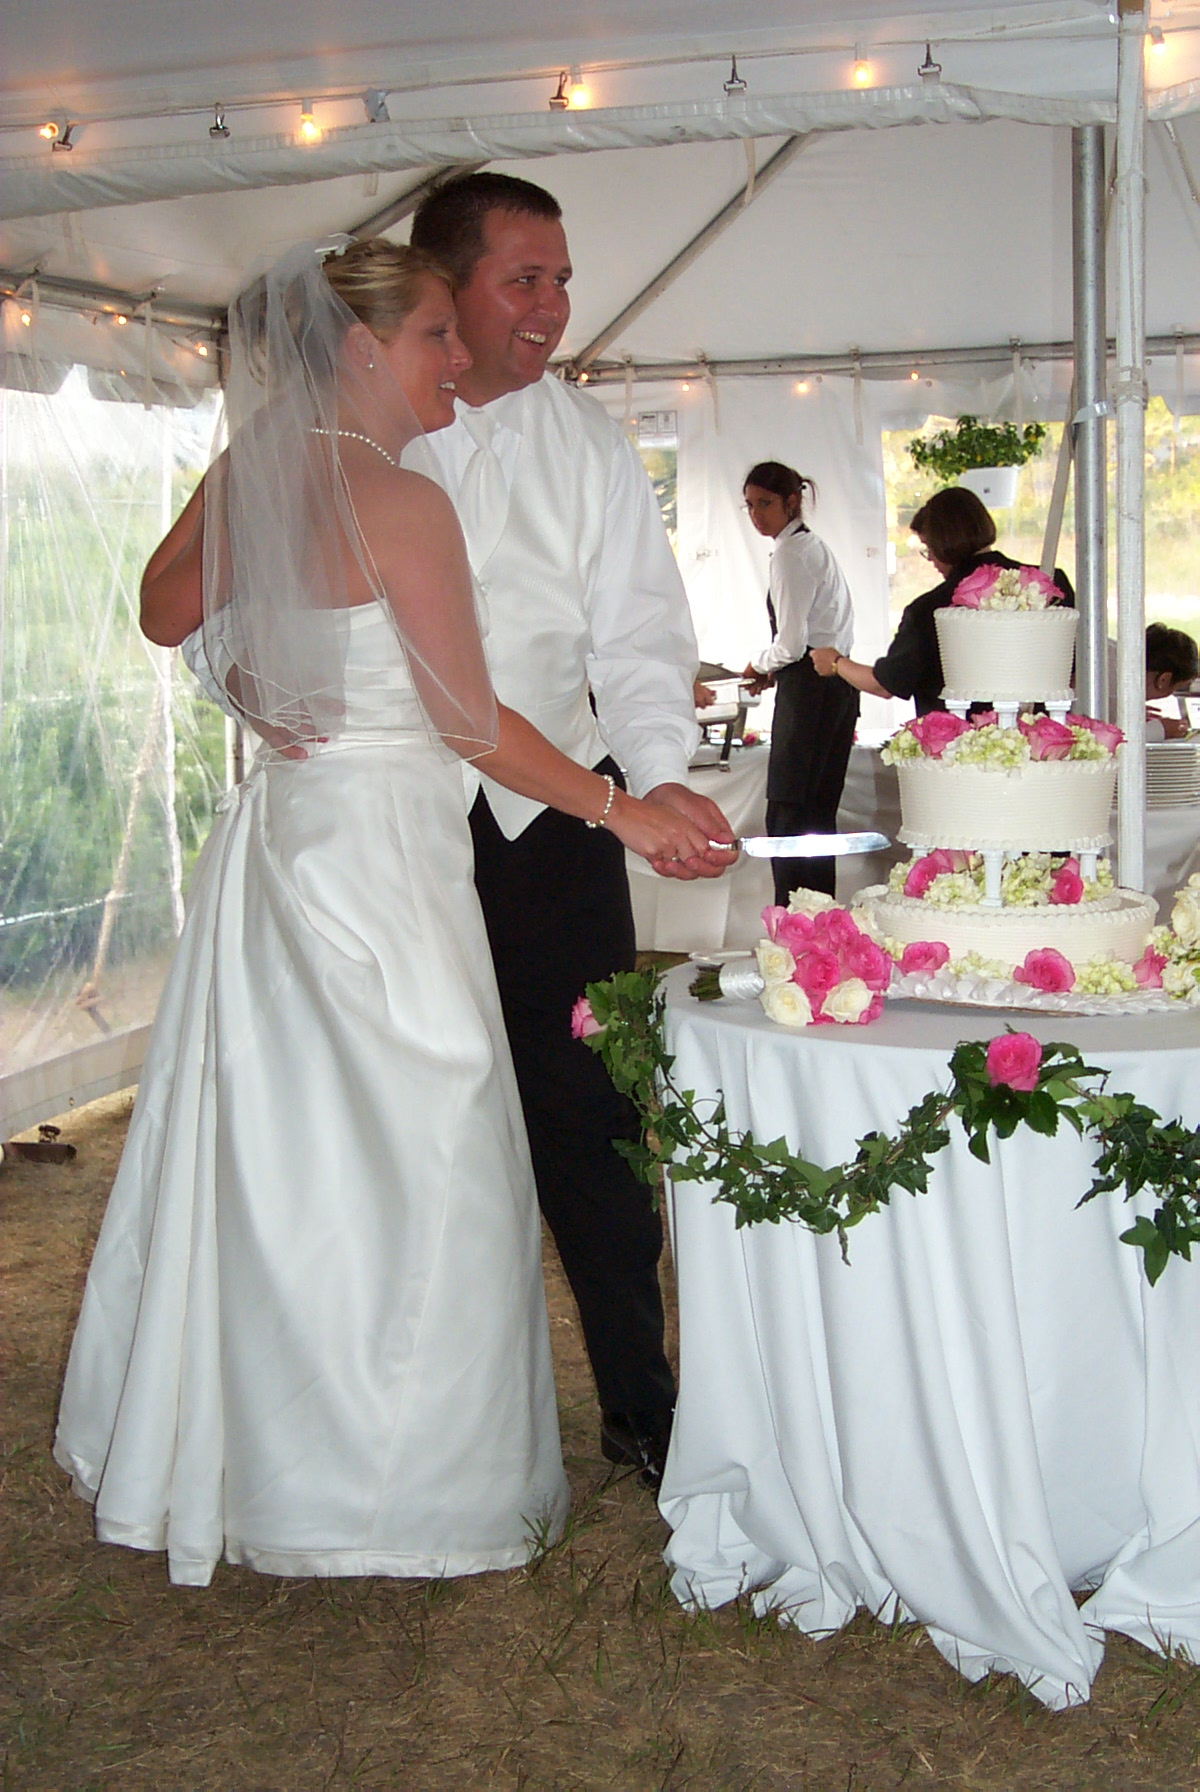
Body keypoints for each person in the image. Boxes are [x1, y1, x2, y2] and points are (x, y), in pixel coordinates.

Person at [53, 240, 717, 1587]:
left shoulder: (260, 467)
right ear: (361, 347)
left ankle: (264, 1459)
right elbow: (468, 720)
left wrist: (256, 684)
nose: (455, 360)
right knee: (429, 1148)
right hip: (383, 866)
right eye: (433, 337)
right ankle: (396, 1486)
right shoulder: (401, 499)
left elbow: (163, 611)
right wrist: (622, 811)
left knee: (285, 1158)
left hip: (283, 851)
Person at [410, 172, 736, 1490]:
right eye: (524, 279)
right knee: (417, 1115)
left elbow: (639, 635)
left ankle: (642, 1403)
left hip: (556, 830)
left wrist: (658, 782)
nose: (551, 306)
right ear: (448, 287)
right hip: (400, 825)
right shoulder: (364, 430)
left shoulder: (591, 445)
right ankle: (437, 1414)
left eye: (561, 280)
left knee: (593, 1118)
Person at [811, 486, 1074, 711]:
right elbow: (1076, 668)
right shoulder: (1050, 585)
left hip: (960, 743)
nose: (931, 560)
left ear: (943, 543)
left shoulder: (930, 609)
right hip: (1042, 734)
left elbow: (885, 684)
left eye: (928, 548)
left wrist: (836, 663)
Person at [739, 461, 858, 905]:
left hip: (811, 694)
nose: (756, 515)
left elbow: (791, 644)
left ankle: (793, 922)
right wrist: (775, 669)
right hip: (836, 687)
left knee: (789, 817)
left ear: (792, 502)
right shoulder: (812, 547)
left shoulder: (792, 553)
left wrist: (759, 665)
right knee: (818, 817)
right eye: (749, 506)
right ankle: (820, 920)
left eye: (765, 503)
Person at [1107, 622, 1199, 739]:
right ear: (1164, 680)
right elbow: (1104, 740)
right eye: (1176, 688)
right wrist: (1159, 729)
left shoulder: (1113, 655)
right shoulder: (1115, 687)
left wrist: (1126, 712)